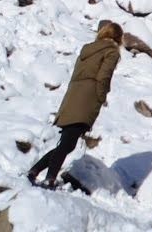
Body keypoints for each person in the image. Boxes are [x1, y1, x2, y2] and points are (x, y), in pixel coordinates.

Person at [28, 20, 123, 187]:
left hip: (73, 97)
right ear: (117, 37)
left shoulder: (89, 50)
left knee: (66, 143)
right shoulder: (111, 52)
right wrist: (101, 97)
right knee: (67, 144)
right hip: (87, 99)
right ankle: (49, 178)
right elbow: (104, 77)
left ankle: (35, 170)